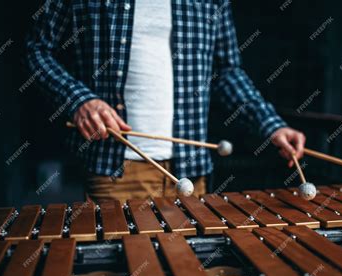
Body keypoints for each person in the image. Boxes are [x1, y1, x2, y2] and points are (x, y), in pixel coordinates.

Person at [25, 0, 306, 203]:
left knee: (185, 273)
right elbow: (36, 50)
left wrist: (270, 126)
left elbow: (225, 71)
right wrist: (79, 100)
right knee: (123, 275)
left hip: (191, 169)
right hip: (116, 168)